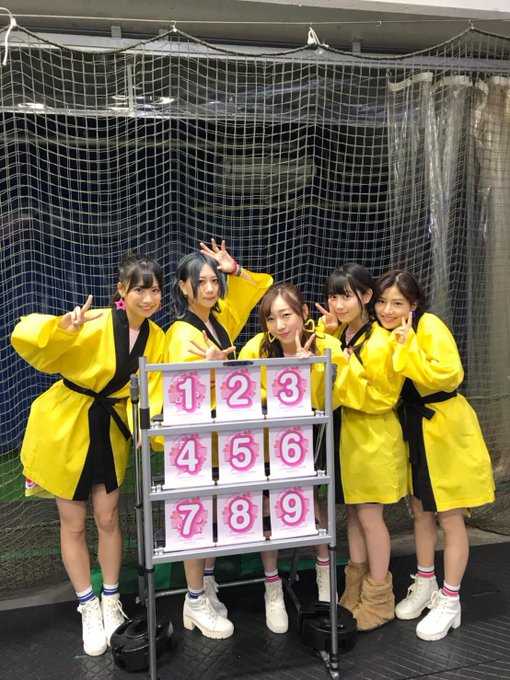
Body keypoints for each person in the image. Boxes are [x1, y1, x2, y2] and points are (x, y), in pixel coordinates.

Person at [10, 253, 166, 657]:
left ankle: (111, 600)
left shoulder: (158, 336)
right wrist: (62, 328)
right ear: (122, 291)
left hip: (109, 429)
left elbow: (154, 387)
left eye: (154, 290)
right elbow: (27, 335)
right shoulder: (93, 320)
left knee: (108, 518)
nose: (148, 298)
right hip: (67, 426)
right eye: (139, 289)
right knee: (74, 523)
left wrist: (143, 426)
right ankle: (87, 606)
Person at [374, 269, 495, 641]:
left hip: (445, 430)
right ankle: (426, 582)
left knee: (450, 516)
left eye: (397, 303)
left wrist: (408, 345)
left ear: (414, 304)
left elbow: (449, 375)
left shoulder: (430, 327)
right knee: (420, 511)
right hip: (414, 430)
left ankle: (450, 598)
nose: (388, 310)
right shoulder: (384, 333)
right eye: (382, 302)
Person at [165, 238, 273, 640]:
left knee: (211, 515)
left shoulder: (219, 317)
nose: (210, 288)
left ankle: (205, 584)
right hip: (195, 442)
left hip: (219, 435)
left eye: (214, 281)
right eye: (202, 282)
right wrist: (209, 369)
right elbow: (179, 394)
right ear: (183, 286)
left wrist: (236, 270)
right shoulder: (181, 333)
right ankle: (194, 599)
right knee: (197, 518)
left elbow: (260, 288)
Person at [238, 282, 345, 634]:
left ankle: (325, 576)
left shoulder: (325, 344)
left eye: (286, 315)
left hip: (310, 436)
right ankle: (272, 586)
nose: (280, 325)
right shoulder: (257, 347)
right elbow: (242, 390)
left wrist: (309, 369)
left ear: (304, 313)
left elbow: (335, 395)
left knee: (311, 499)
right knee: (266, 503)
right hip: (266, 438)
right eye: (271, 318)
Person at [316, 263, 407, 631]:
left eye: (346, 296)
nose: (338, 305)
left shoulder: (381, 341)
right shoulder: (345, 334)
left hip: (373, 437)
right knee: (353, 514)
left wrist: (336, 352)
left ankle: (380, 599)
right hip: (350, 437)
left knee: (370, 517)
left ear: (366, 296)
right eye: (333, 297)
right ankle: (354, 591)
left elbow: (381, 397)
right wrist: (331, 342)